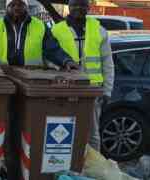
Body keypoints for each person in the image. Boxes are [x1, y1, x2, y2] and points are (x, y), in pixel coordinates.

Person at [52, 0, 115, 152]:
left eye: (82, 5)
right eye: (74, 5)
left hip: (92, 91)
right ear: (69, 7)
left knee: (92, 134)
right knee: (64, 130)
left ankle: (92, 169)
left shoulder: (99, 30)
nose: (78, 8)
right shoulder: (56, 30)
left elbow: (107, 62)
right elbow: (49, 59)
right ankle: (68, 163)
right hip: (66, 90)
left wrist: (107, 90)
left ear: (88, 8)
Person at [0, 0, 71, 67]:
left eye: (20, 4)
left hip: (33, 78)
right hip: (4, 77)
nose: (16, 8)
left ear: (26, 7)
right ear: (7, 8)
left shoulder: (40, 26)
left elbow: (53, 49)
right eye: (12, 4)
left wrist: (66, 61)